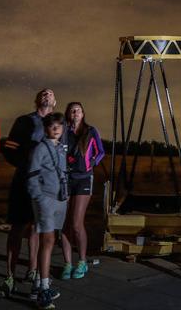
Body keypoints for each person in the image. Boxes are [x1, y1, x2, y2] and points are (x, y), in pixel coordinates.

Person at [0, 88, 57, 299]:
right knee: (18, 227)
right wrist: (27, 165)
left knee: (38, 228)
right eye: (43, 93)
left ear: (55, 102)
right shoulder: (24, 121)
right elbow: (9, 148)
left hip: (46, 186)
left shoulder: (58, 123)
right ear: (36, 99)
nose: (46, 95)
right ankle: (9, 277)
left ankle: (33, 271)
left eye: (50, 93)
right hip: (24, 181)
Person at [59, 102, 105, 280]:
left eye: (78, 110)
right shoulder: (64, 131)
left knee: (77, 224)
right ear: (68, 114)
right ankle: (67, 264)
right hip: (66, 178)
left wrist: (90, 164)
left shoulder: (91, 131)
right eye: (72, 110)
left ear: (83, 113)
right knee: (65, 225)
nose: (75, 112)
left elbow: (100, 152)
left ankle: (82, 261)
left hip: (83, 179)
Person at [28, 112, 69, 310]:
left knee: (51, 240)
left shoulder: (60, 148)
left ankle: (38, 285)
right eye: (52, 125)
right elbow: (32, 175)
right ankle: (44, 289)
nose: (56, 128)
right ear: (45, 128)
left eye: (59, 125)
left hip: (59, 199)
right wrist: (39, 197)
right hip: (46, 198)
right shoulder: (40, 148)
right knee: (48, 240)